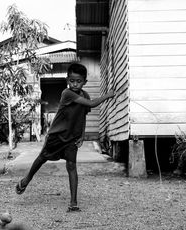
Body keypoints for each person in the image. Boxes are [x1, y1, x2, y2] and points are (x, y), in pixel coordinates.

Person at [15, 63, 115, 212]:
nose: (75, 84)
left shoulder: (85, 94)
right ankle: (26, 179)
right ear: (67, 80)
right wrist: (108, 95)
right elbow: (92, 104)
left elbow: (83, 115)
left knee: (71, 166)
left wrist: (82, 135)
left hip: (72, 138)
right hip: (57, 134)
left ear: (84, 82)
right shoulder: (66, 94)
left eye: (79, 81)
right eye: (72, 81)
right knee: (42, 157)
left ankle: (73, 203)